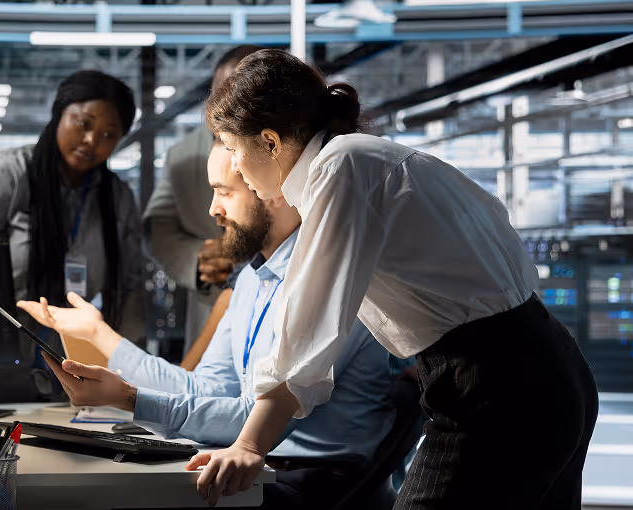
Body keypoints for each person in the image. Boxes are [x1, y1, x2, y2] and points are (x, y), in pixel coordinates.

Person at [187, 49, 599, 509]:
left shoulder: (338, 168)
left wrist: (248, 447)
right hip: (548, 366)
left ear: (268, 141)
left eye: (231, 148)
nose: (235, 167)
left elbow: (309, 328)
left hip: (495, 387)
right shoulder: (367, 157)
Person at [18, 139, 397, 509]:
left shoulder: (332, 276)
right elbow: (207, 387)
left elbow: (255, 419)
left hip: (320, 483)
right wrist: (98, 333)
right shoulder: (251, 280)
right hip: (265, 468)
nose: (213, 209)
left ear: (274, 188)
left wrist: (130, 399)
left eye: (225, 192)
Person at [0, 71, 145, 403]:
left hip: (71, 383)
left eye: (108, 134)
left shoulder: (117, 198)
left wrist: (122, 368)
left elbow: (131, 287)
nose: (91, 141)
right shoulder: (5, 176)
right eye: (83, 123)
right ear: (60, 114)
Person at [144, 45, 263, 356]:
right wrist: (197, 259)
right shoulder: (182, 155)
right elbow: (159, 226)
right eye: (222, 91)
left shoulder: (293, 152)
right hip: (212, 299)